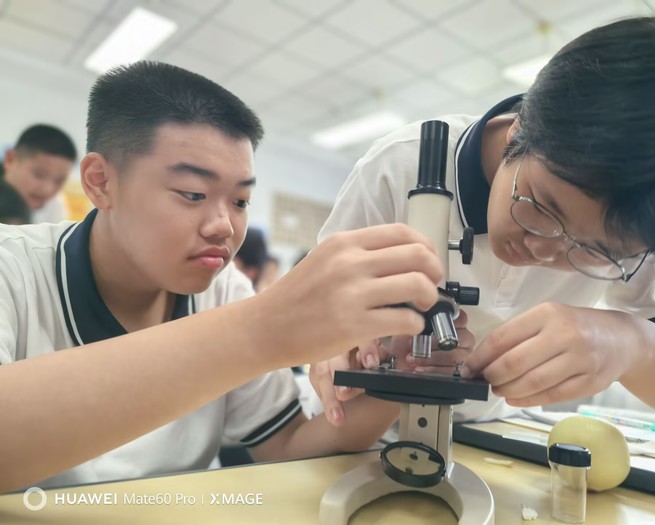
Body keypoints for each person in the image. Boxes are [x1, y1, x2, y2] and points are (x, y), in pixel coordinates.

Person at [0, 61, 444, 493]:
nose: (224, 227)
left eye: (240, 202)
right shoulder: (13, 267)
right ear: (100, 182)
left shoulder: (226, 289)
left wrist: (405, 376)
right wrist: (262, 331)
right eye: (193, 194)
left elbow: (288, 446)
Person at [312, 16, 655, 427]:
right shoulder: (397, 168)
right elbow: (314, 312)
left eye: (594, 250)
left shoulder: (649, 216)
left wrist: (635, 346)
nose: (544, 249)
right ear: (518, 132)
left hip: (488, 435)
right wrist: (330, 341)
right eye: (543, 207)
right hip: (352, 430)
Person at [1, 123, 77, 222]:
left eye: (59, 181)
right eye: (39, 175)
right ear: (10, 160)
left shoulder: (54, 206)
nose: (47, 189)